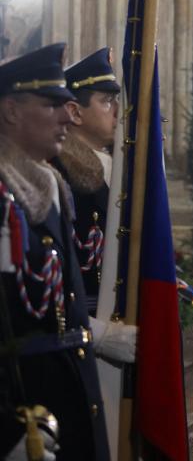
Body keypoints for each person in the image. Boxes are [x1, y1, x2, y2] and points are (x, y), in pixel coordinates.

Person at [0, 43, 111, 460]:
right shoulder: (4, 193)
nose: (68, 115)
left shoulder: (49, 186)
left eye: (68, 103)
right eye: (52, 104)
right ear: (11, 111)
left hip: (66, 397)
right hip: (26, 408)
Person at [50, 48, 121, 315]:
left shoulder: (117, 170)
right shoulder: (61, 173)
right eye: (106, 101)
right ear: (75, 113)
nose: (117, 111)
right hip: (84, 318)